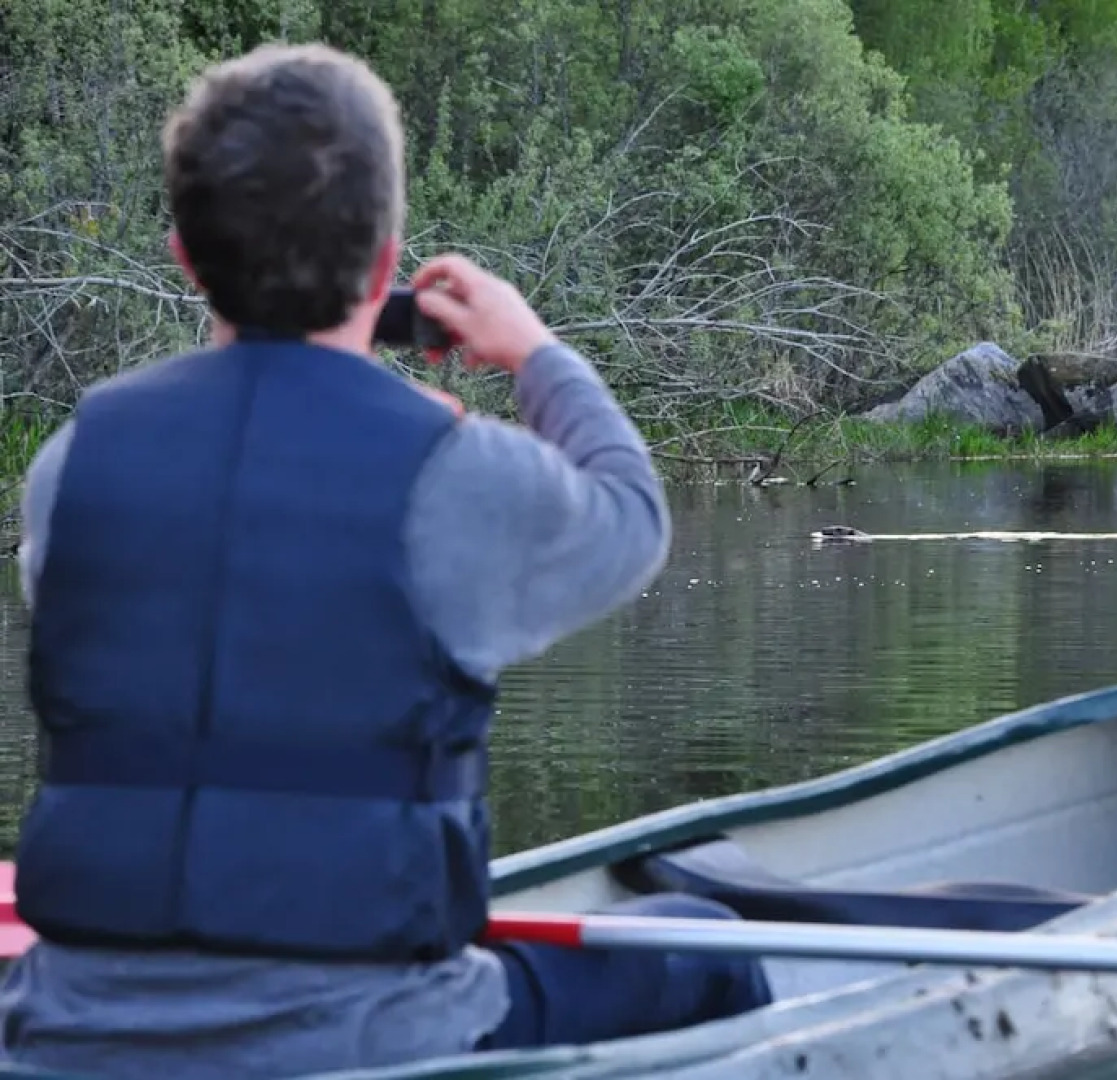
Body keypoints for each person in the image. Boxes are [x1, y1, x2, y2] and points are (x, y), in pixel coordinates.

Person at [0, 42, 772, 1078]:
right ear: (385, 263)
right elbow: (632, 516)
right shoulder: (452, 474)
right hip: (373, 1034)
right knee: (705, 947)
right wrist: (534, 354)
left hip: (70, 1033)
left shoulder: (71, 463)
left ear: (185, 257)